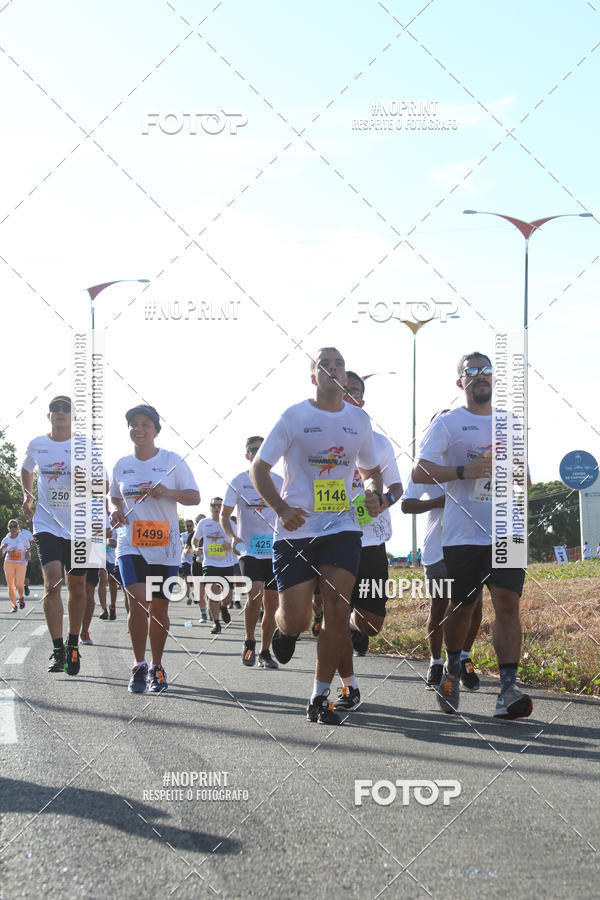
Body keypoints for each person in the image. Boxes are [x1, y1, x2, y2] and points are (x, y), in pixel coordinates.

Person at [250, 347, 383, 725]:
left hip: (341, 527)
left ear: (345, 374)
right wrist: (281, 509)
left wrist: (373, 495)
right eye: (323, 364)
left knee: (338, 609)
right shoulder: (294, 416)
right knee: (296, 616)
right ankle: (285, 631)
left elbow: (371, 470)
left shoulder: (359, 420)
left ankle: (319, 697)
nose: (332, 368)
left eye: (338, 362)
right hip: (297, 529)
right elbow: (260, 468)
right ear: (314, 377)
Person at [413, 352, 532, 719]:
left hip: (506, 530)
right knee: (462, 606)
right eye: (472, 371)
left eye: (486, 370)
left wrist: (511, 470)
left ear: (494, 379)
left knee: (508, 605)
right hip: (463, 533)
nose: (480, 376)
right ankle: (451, 668)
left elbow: (525, 482)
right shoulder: (448, 424)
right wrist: (464, 470)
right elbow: (419, 472)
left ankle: (508, 690)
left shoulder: (510, 423)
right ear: (460, 381)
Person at [110, 404, 200, 693]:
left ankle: (157, 665)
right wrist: (117, 513)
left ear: (156, 430)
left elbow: (194, 497)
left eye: (145, 424)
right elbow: (116, 499)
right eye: (133, 424)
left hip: (166, 545)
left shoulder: (172, 461)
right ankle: (139, 664)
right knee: (137, 601)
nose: (138, 429)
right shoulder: (121, 464)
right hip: (131, 542)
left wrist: (169, 492)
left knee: (159, 606)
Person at [331, 371, 403, 711]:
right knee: (336, 609)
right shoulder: (316, 440)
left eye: (354, 392)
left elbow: (397, 488)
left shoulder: (380, 443)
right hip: (331, 538)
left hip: (371, 541)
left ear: (362, 399)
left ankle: (352, 625)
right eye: (342, 391)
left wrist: (382, 501)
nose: (348, 396)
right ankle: (348, 686)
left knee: (372, 624)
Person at [21, 395, 100, 675]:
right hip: (47, 524)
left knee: (77, 587)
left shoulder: (86, 446)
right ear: (49, 416)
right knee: (53, 582)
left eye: (66, 409)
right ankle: (57, 651)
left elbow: (102, 484)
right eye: (56, 409)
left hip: (80, 525)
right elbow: (26, 468)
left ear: (73, 416)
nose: (61, 413)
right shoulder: (38, 445)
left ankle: (73, 643)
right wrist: (28, 496)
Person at [401, 470, 482, 691]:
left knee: (474, 607)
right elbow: (406, 505)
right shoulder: (429, 465)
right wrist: (441, 502)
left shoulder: (475, 461)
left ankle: (463, 658)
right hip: (437, 551)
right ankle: (436, 663)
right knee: (439, 606)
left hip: (471, 545)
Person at [221, 436, 282, 669]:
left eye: (263, 449)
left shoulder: (280, 480)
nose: (258, 453)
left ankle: (266, 652)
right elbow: (224, 515)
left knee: (272, 601)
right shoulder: (238, 481)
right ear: (247, 455)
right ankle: (249, 641)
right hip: (248, 548)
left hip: (274, 548)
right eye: (254, 450)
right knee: (255, 593)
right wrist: (232, 536)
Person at [193, 499, 236, 634]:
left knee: (228, 595)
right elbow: (195, 540)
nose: (217, 508)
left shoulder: (230, 523)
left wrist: (230, 545)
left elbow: (238, 540)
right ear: (210, 507)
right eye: (214, 505)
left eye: (220, 505)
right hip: (210, 563)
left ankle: (224, 607)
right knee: (213, 591)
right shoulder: (204, 523)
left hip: (227, 563)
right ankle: (216, 623)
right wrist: (195, 549)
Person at [1, 519, 30, 611]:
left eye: (15, 526)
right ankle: (14, 605)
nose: (13, 528)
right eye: (11, 526)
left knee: (19, 585)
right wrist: (2, 547)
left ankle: (21, 597)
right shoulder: (6, 539)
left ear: (18, 527)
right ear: (8, 528)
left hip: (21, 564)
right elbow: (1, 555)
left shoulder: (23, 538)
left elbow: (28, 551)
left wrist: (26, 552)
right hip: (8, 563)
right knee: (10, 586)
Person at [191, 513, 207, 620]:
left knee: (212, 589)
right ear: (196, 524)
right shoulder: (192, 536)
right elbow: (190, 547)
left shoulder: (212, 533)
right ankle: (203, 613)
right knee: (200, 591)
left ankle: (213, 610)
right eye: (198, 522)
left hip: (210, 564)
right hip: (196, 564)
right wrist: (196, 550)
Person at [180, 519, 195, 604]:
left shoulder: (196, 535)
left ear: (193, 526)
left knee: (194, 578)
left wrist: (191, 549)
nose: (189, 527)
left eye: (190, 525)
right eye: (187, 526)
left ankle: (194, 592)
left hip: (194, 559)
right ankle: (188, 597)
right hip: (185, 559)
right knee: (187, 579)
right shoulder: (182, 535)